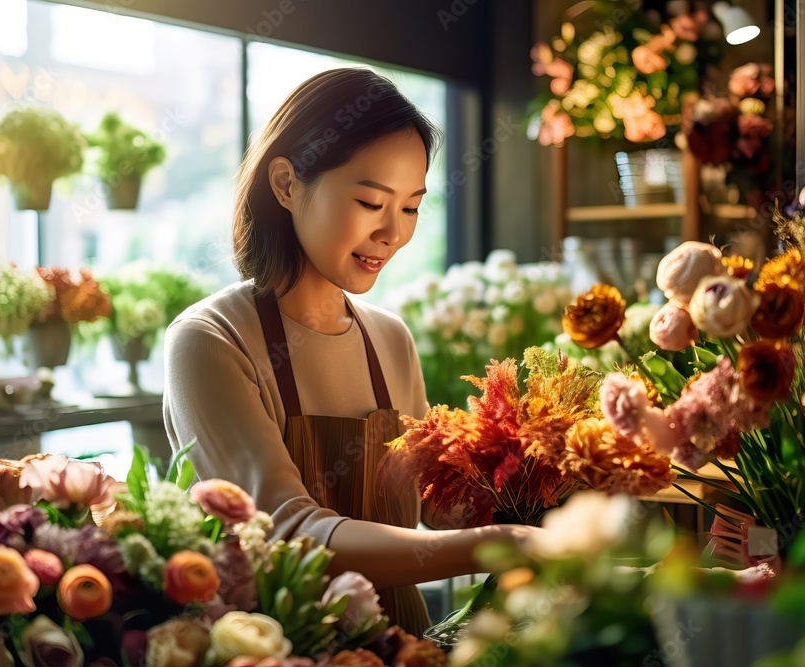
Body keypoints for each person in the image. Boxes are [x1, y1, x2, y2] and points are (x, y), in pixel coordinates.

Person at [163, 68, 538, 637]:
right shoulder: (211, 340)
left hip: (404, 643)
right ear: (286, 185)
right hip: (279, 647)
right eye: (371, 201)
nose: (393, 233)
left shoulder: (390, 339)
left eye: (411, 208)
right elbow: (288, 532)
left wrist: (534, 477)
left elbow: (434, 507)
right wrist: (497, 543)